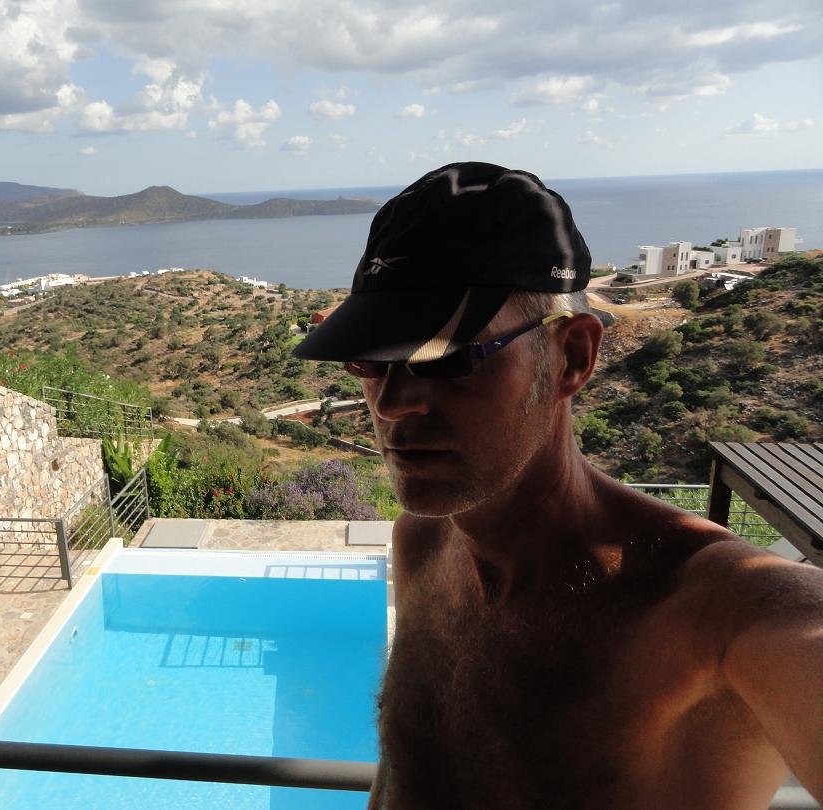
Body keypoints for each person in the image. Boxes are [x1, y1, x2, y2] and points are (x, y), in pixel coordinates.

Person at [292, 162, 823, 808]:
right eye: (370, 362)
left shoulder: (720, 614)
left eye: (448, 359)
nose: (391, 403)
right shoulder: (421, 546)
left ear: (572, 357)